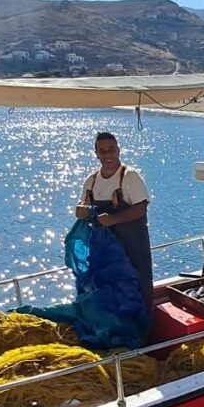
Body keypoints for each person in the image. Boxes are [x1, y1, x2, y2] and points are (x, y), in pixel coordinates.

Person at [76, 131, 153, 312]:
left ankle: (142, 330)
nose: (107, 155)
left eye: (111, 149)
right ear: (96, 154)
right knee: (106, 290)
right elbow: (81, 209)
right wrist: (84, 211)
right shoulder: (91, 181)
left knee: (137, 287)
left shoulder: (129, 176)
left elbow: (141, 208)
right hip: (104, 252)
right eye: (102, 151)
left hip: (132, 247)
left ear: (118, 150)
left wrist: (114, 219)